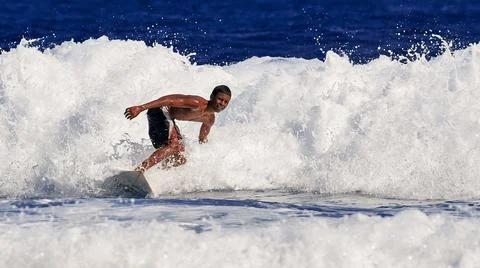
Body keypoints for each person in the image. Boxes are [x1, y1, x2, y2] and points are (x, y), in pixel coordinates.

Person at [124, 85, 231, 173]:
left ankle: (151, 174)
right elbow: (168, 100)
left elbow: (202, 139)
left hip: (164, 119)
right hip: (159, 110)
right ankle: (140, 170)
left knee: (179, 159)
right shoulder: (197, 103)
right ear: (212, 96)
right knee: (174, 145)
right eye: (220, 99)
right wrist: (141, 107)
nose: (222, 104)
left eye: (226, 102)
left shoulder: (209, 119)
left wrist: (205, 155)